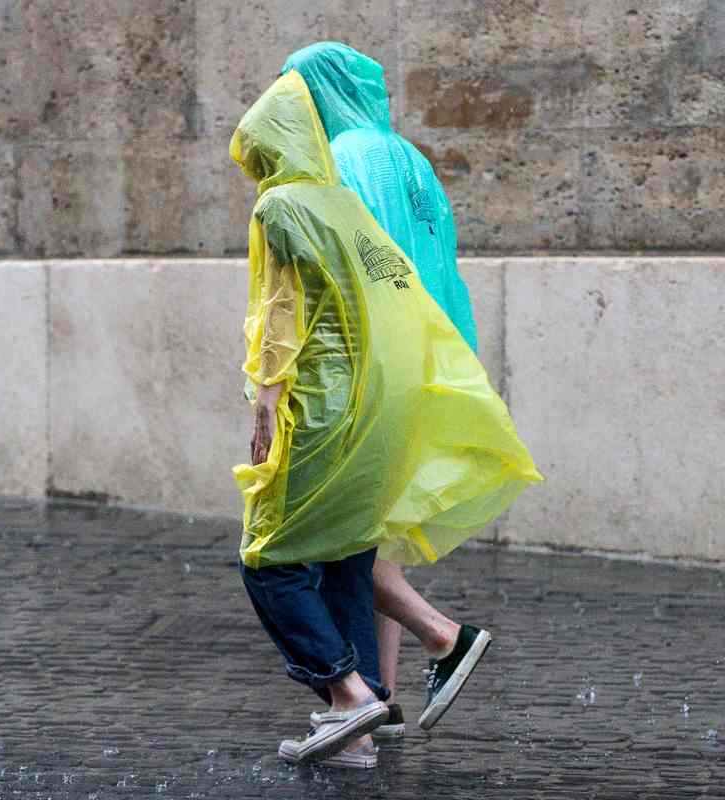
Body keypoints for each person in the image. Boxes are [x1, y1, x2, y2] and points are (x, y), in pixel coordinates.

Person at [230, 67, 540, 767]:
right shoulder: (355, 194)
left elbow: (278, 308)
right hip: (387, 386)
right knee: (350, 551)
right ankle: (361, 723)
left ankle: (352, 696)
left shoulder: (283, 205)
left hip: (325, 396)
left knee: (268, 558)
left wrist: (270, 392)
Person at [282, 42, 491, 735]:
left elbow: (351, 271)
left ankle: (442, 635)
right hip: (429, 355)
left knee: (311, 534)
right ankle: (379, 695)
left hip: (371, 365)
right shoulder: (408, 157)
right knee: (376, 537)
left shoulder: (343, 160)